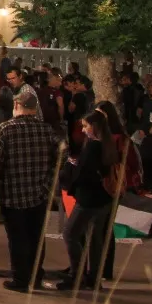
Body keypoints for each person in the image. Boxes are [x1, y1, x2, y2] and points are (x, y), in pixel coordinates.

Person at [0, 90, 60, 293]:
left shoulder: (5, 129)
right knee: (36, 237)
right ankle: (36, 276)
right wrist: (49, 181)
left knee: (17, 239)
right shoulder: (47, 130)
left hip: (12, 193)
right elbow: (61, 157)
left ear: (17, 106)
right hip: (39, 193)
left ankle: (21, 278)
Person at [47, 110, 115, 292]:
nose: (83, 130)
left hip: (89, 199)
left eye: (86, 126)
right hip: (103, 199)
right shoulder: (107, 145)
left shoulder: (93, 147)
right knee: (95, 238)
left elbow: (84, 174)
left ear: (95, 127)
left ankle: (76, 276)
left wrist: (70, 172)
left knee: (70, 233)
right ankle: (93, 278)